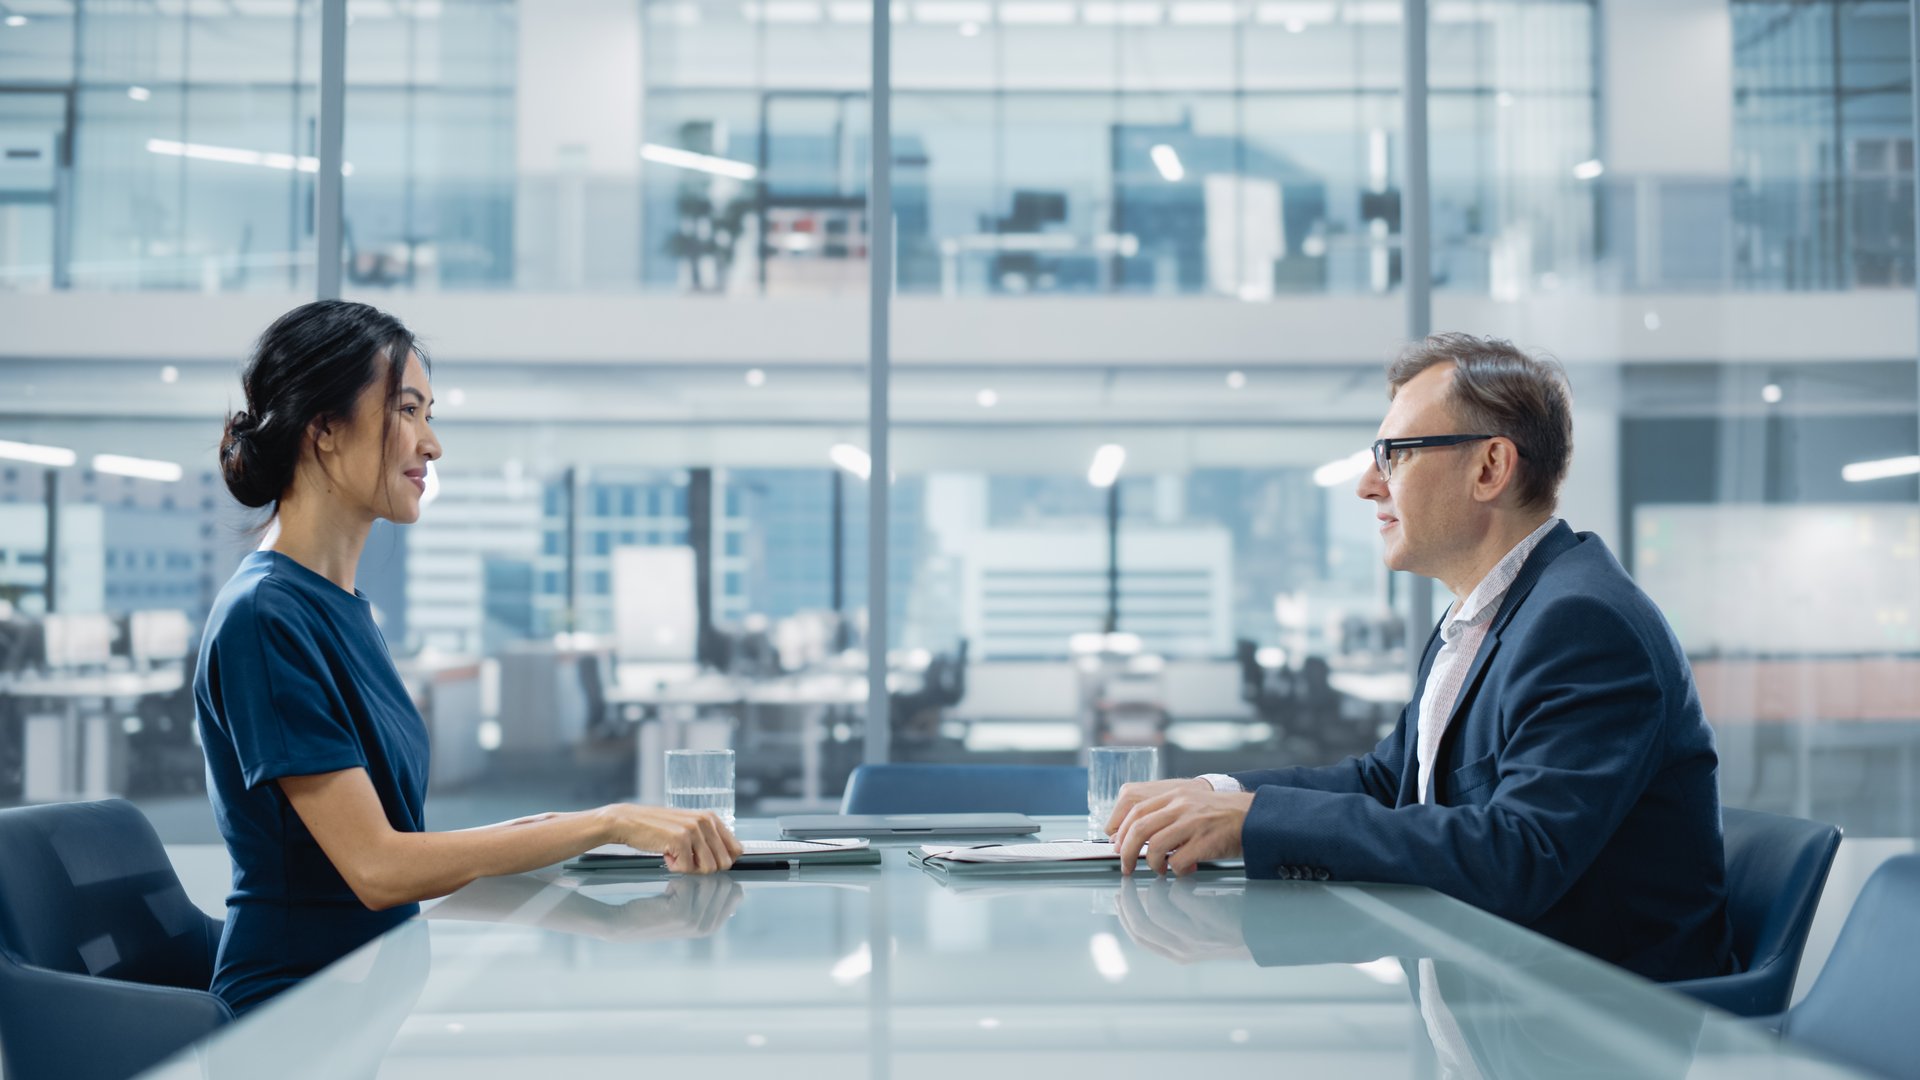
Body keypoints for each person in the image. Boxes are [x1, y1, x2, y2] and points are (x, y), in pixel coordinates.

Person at [1105, 333, 1733, 982]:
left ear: (1489, 468)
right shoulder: (1484, 613)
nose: (1367, 485)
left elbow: (1519, 855)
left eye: (1394, 454)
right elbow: (1391, 782)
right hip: (1490, 990)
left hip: (1604, 1026)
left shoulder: (1584, 624)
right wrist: (1218, 793)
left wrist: (1256, 820)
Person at [194, 300, 741, 1015]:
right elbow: (377, 867)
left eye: (429, 415)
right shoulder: (266, 617)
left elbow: (407, 844)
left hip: (370, 984)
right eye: (409, 411)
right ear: (324, 430)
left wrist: (603, 880)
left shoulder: (340, 608)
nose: (432, 445)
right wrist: (608, 822)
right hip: (294, 1014)